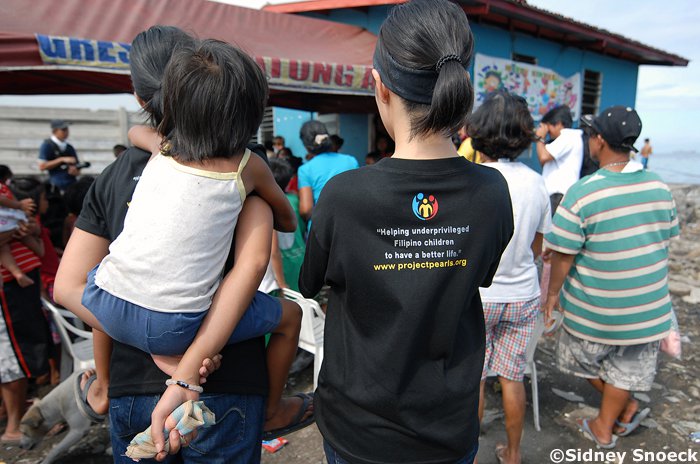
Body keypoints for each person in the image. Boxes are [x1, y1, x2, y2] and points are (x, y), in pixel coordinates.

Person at [53, 26, 307, 463]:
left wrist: (117, 373)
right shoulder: (246, 167)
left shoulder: (133, 166)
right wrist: (187, 364)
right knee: (290, 314)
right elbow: (254, 262)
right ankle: (273, 410)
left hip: (129, 383)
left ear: (141, 96)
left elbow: (66, 287)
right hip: (224, 386)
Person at [299, 1, 514, 462]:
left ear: (379, 86)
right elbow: (479, 275)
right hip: (449, 425)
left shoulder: (344, 195)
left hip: (358, 427)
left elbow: (310, 282)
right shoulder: (492, 191)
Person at [543, 106, 679, 449]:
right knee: (626, 369)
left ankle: (609, 419)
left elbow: (563, 255)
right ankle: (609, 421)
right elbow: (664, 236)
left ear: (600, 140)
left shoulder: (583, 191)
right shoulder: (660, 186)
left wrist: (553, 295)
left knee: (577, 357)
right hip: (648, 310)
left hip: (596, 311)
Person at [468, 90, 551, 464]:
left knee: (474, 378)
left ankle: (469, 454)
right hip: (522, 296)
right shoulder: (536, 183)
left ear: (479, 132)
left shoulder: (473, 180)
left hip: (479, 297)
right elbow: (537, 247)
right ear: (524, 135)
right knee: (512, 377)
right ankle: (514, 454)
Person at [297, 120, 358, 224]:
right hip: (350, 224)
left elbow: (306, 210)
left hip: (320, 227)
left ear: (306, 146)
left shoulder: (306, 169)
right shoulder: (351, 161)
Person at [535, 105, 583, 215]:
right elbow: (544, 162)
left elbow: (543, 156)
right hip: (555, 195)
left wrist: (539, 138)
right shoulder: (562, 140)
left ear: (559, 124)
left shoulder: (569, 136)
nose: (548, 132)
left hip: (559, 195)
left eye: (548, 127)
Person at [0, 166, 39, 287]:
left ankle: (17, 273)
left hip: (9, 222)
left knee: (4, 249)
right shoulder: (3, 189)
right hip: (7, 221)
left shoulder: (4, 188)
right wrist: (19, 205)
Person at [38, 120, 82, 191]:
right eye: (63, 129)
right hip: (56, 186)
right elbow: (42, 166)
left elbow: (78, 169)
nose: (66, 132)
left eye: (67, 129)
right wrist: (61, 159)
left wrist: (75, 171)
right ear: (55, 131)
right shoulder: (47, 145)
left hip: (71, 185)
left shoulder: (69, 147)